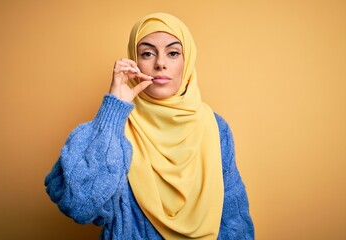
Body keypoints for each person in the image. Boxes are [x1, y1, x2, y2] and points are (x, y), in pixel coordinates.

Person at [45, 12, 254, 239]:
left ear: (188, 61)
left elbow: (233, 217)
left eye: (173, 53)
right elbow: (79, 205)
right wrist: (114, 109)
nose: (160, 64)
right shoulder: (116, 127)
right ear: (135, 62)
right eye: (147, 53)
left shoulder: (215, 128)